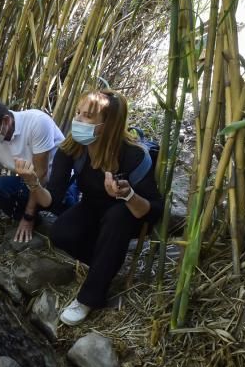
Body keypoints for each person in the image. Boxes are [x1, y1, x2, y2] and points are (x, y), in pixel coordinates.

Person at [17, 89, 163, 325]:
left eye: (87, 116)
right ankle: (105, 264)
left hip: (127, 214)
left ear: (107, 125)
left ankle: (89, 298)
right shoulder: (72, 148)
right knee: (60, 233)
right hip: (93, 206)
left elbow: (155, 210)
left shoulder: (133, 155)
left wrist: (127, 194)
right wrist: (32, 182)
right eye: (78, 113)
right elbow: (51, 201)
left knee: (117, 217)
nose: (77, 120)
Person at [0, 97, 64, 243]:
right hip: (29, 185)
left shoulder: (37, 122)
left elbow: (41, 175)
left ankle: (38, 218)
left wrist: (28, 218)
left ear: (6, 121)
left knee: (64, 221)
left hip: (57, 184)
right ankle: (37, 220)